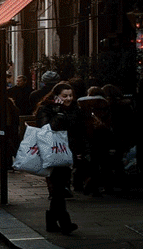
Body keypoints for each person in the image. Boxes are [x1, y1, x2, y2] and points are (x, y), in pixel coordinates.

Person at [35, 82, 84, 234]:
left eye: (70, 95)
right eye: (65, 96)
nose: (68, 99)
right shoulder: (46, 108)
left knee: (60, 188)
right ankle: (64, 222)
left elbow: (79, 131)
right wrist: (58, 113)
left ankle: (53, 222)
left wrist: (80, 150)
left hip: (69, 152)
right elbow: (46, 128)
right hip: (53, 152)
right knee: (58, 189)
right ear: (56, 96)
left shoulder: (76, 109)